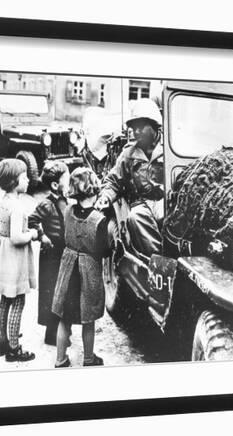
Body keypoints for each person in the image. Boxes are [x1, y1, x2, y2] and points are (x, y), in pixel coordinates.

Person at [51, 167, 110, 368]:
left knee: (64, 319)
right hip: (88, 273)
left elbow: (63, 237)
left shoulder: (67, 210)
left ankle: (60, 359)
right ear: (93, 190)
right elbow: (105, 250)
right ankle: (88, 358)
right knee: (89, 319)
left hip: (68, 271)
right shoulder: (99, 220)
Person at [95, 98, 164, 256]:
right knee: (135, 217)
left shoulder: (169, 149)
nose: (136, 132)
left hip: (165, 200)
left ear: (154, 125)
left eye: (141, 127)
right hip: (141, 203)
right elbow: (113, 181)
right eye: (134, 128)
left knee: (168, 216)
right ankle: (157, 259)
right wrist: (106, 196)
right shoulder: (128, 154)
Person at [0, 159, 38, 362]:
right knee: (18, 300)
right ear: (14, 181)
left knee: (5, 300)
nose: (27, 180)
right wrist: (32, 234)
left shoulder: (4, 202)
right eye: (24, 176)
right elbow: (17, 238)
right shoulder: (17, 207)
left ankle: (2, 341)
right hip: (15, 259)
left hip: (4, 255)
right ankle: (14, 348)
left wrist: (9, 231)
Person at [28, 161, 70, 346]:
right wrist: (42, 235)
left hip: (63, 253)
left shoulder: (65, 202)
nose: (69, 184)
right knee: (52, 293)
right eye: (66, 181)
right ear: (55, 185)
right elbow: (31, 221)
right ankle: (51, 334)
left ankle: (60, 331)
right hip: (51, 256)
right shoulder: (46, 204)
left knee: (63, 292)